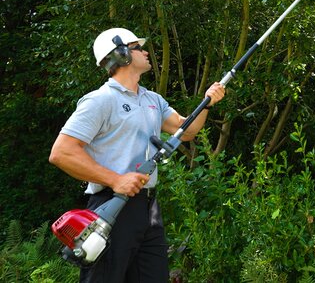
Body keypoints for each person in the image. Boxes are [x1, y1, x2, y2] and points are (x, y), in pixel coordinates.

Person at [49, 27, 225, 282]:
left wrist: (207, 103)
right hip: (111, 206)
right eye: (138, 47)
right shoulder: (100, 100)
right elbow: (61, 152)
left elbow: (186, 131)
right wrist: (115, 179)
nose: (145, 51)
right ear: (121, 54)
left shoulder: (152, 99)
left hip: (149, 208)